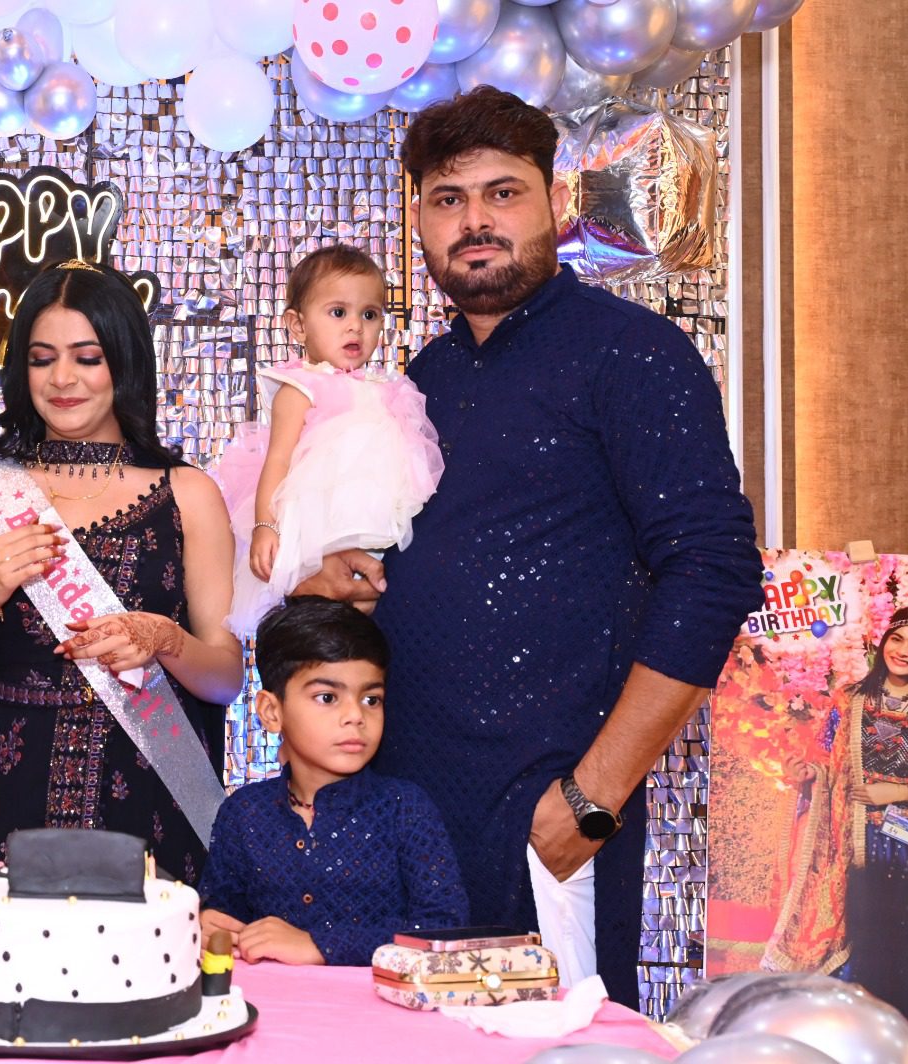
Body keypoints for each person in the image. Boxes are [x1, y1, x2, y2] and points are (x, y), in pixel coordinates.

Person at [296, 87, 763, 1007]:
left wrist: (592, 798)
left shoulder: (632, 353)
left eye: (501, 193)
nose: (475, 222)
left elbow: (713, 572)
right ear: (419, 222)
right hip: (404, 820)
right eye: (448, 199)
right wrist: (335, 586)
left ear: (554, 201)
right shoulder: (414, 384)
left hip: (548, 826)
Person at [0, 259, 244, 884]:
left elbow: (225, 679)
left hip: (150, 793)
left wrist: (164, 639)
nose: (62, 379)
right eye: (41, 358)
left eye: (87, 357)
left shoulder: (188, 494)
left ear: (124, 362)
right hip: (11, 792)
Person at [198, 596, 469, 965]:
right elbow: (223, 917)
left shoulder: (405, 808)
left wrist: (319, 945)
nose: (355, 715)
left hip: (379, 1000)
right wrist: (207, 926)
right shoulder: (243, 813)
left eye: (371, 699)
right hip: (269, 999)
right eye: (327, 697)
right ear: (271, 712)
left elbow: (445, 931)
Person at [211, 245, 443, 635]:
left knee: (369, 605)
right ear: (298, 326)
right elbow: (278, 460)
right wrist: (266, 525)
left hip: (373, 517)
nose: (355, 327)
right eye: (338, 313)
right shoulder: (301, 387)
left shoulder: (387, 387)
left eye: (369, 314)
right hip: (320, 518)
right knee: (324, 618)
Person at [764, 607, 908, 1012]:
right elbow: (827, 760)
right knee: (861, 941)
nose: (904, 651)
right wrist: (807, 773)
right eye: (898, 639)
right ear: (884, 643)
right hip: (854, 844)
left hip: (905, 844)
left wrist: (895, 792)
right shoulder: (850, 699)